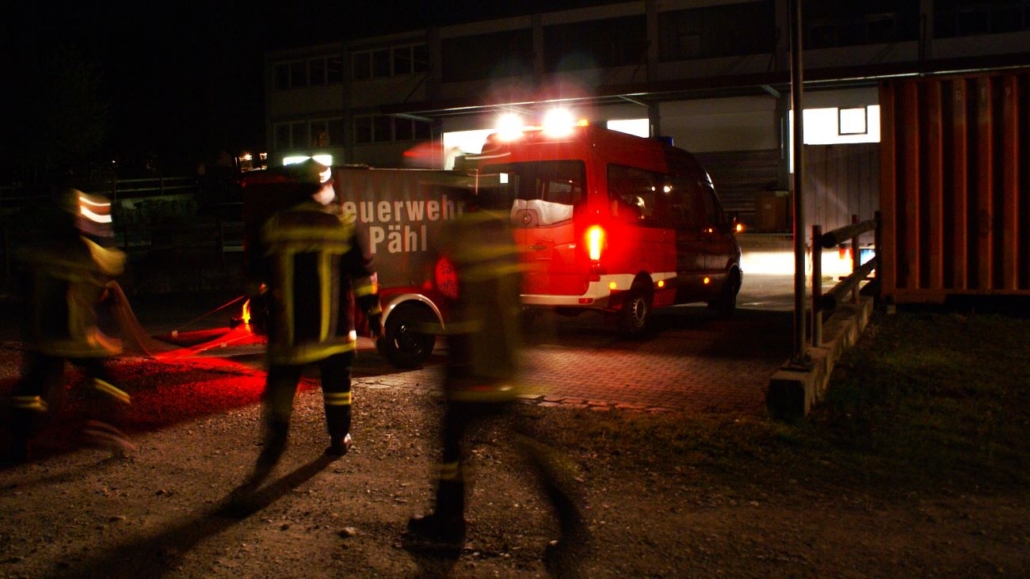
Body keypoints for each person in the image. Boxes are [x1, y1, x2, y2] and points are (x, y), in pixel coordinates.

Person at [405, 182, 589, 577]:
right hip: (505, 366)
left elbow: (434, 256)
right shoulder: (506, 238)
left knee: (452, 447)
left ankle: (448, 523)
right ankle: (570, 520)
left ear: (470, 206)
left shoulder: (465, 232)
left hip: (473, 366)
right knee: (523, 448)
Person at [243, 159, 382, 484]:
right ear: (325, 185)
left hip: (290, 332)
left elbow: (255, 273)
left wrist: (260, 305)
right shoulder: (342, 221)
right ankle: (339, 438)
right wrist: (374, 318)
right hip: (333, 330)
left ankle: (275, 445)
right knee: (337, 388)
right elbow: (362, 277)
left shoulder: (276, 223)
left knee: (280, 388)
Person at [4, 189, 133, 464]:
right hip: (78, 338)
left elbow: (24, 287)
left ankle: (18, 442)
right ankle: (108, 430)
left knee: (31, 391)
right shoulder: (87, 253)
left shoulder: (39, 253)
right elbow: (114, 263)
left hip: (44, 339)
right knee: (106, 384)